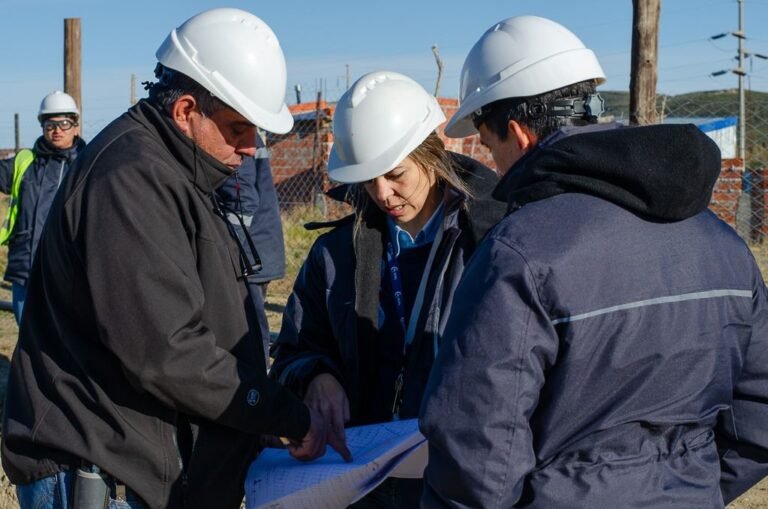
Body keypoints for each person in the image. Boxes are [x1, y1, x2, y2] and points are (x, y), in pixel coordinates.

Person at [419, 15, 768, 508]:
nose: (491, 163)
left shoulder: (519, 253)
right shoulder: (725, 245)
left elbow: (476, 454)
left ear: (517, 134)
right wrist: (694, 486)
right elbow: (758, 417)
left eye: (488, 143)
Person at [1, 8, 340, 509]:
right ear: (185, 110)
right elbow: (167, 351)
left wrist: (247, 420)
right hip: (100, 474)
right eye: (239, 128)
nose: (251, 148)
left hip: (135, 464)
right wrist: (280, 415)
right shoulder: (130, 179)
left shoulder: (177, 169)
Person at [270, 71, 505, 507]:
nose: (382, 194)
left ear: (430, 153)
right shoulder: (335, 254)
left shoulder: (491, 242)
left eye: (395, 174)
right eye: (368, 179)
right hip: (363, 482)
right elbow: (291, 352)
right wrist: (317, 374)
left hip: (457, 481)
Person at [0, 91, 86, 324]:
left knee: (64, 343)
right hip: (25, 270)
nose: (57, 130)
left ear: (75, 126)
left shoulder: (88, 164)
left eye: (64, 123)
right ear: (42, 126)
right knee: (27, 337)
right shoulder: (24, 161)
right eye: (50, 124)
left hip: (70, 272)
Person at [216, 137, 286, 365]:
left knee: (250, 325)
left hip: (249, 251)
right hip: (257, 245)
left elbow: (241, 199)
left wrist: (229, 252)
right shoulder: (246, 132)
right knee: (252, 321)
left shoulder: (232, 136)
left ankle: (259, 380)